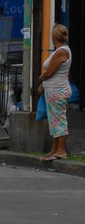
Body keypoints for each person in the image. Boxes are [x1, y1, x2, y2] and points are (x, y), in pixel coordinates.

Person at [39, 24, 73, 161]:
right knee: (54, 121)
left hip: (57, 91)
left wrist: (41, 78)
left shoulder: (61, 52)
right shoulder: (62, 50)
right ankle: (54, 150)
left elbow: (49, 72)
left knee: (59, 120)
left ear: (54, 36)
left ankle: (61, 150)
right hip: (55, 90)